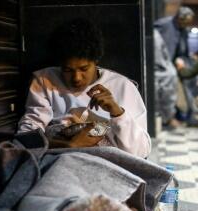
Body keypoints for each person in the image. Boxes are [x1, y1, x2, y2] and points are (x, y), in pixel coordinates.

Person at [18, 18, 151, 158]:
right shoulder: (45, 80)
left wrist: (117, 113)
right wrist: (68, 146)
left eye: (84, 68)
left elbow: (141, 152)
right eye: (68, 70)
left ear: (96, 60)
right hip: (60, 160)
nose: (76, 78)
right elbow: (27, 135)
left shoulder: (123, 87)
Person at [154, 7, 198, 127]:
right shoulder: (163, 25)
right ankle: (168, 116)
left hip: (176, 61)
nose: (187, 25)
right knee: (169, 80)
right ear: (179, 18)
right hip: (161, 63)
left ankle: (189, 112)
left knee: (191, 77)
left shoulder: (183, 29)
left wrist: (182, 59)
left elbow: (183, 49)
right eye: (185, 22)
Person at [153, 28, 180, 130]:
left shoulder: (155, 34)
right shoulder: (155, 34)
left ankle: (167, 118)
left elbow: (160, 56)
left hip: (162, 70)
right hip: (159, 69)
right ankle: (165, 119)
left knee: (166, 94)